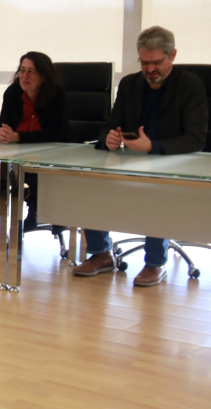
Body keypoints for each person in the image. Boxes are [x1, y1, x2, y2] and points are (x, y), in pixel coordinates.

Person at [73, 26, 208, 287]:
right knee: (91, 180)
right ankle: (101, 254)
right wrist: (109, 139)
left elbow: (196, 139)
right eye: (144, 62)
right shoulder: (130, 84)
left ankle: (155, 263)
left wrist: (152, 146)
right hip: (130, 160)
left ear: (172, 56)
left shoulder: (190, 85)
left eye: (156, 62)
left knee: (157, 188)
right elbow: (108, 125)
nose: (150, 70)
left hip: (174, 163)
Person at [0, 51, 68, 231]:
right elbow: (4, 122)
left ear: (43, 76)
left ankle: (47, 212)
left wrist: (18, 137)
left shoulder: (56, 94)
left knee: (37, 174)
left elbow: (54, 133)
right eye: (22, 70)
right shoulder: (12, 92)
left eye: (31, 71)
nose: (24, 76)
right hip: (19, 152)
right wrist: (5, 133)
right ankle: (32, 211)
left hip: (52, 152)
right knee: (0, 175)